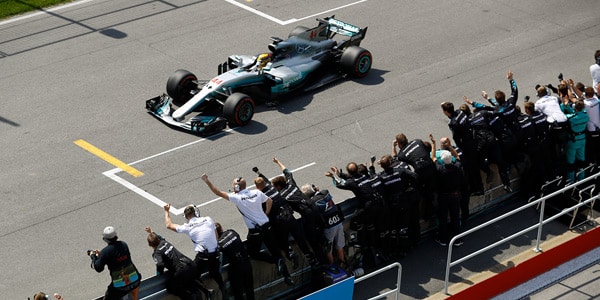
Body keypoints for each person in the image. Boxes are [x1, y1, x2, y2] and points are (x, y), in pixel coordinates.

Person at [201, 174, 294, 285]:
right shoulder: (257, 192)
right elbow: (269, 201)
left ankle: (274, 261)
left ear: (236, 187)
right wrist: (266, 213)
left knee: (252, 252)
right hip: (267, 226)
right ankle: (287, 277)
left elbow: (218, 193)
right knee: (276, 251)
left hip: (256, 232)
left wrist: (207, 181)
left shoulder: (237, 198)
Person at [253, 167, 318, 267]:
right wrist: (259, 172)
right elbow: (267, 182)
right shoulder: (273, 189)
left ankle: (290, 254)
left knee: (281, 240)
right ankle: (310, 257)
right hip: (290, 217)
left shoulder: (261, 196)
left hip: (279, 222)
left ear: (257, 187)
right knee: (300, 239)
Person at [270, 157, 327, 265]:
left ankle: (319, 257)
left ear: (278, 186)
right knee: (319, 225)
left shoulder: (283, 195)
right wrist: (278, 161)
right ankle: (324, 240)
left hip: (307, 213)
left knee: (310, 237)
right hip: (313, 206)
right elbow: (287, 171)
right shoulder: (291, 184)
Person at [163, 204, 225, 296]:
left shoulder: (187, 227)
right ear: (196, 213)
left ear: (186, 217)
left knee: (191, 275)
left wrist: (166, 211)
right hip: (215, 255)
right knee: (216, 274)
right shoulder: (208, 219)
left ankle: (205, 292)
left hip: (203, 258)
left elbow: (169, 225)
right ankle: (224, 291)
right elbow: (216, 236)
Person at [326, 161, 385, 249]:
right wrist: (338, 173)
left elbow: (339, 184)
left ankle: (363, 243)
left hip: (367, 207)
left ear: (349, 172)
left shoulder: (351, 183)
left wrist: (333, 177)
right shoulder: (364, 175)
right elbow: (351, 177)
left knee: (354, 222)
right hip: (378, 203)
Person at [375, 154, 420, 257]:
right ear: (391, 163)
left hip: (392, 206)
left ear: (381, 166)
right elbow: (415, 176)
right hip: (403, 202)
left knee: (394, 229)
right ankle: (407, 247)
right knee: (404, 227)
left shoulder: (381, 176)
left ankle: (396, 250)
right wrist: (408, 187)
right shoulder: (400, 171)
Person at [145, 227, 207, 300]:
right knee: (186, 281)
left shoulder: (156, 253)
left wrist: (160, 274)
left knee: (171, 287)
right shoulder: (164, 242)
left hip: (182, 270)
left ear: (150, 245)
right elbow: (160, 237)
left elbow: (160, 264)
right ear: (158, 240)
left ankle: (190, 298)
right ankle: (204, 292)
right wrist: (151, 232)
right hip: (191, 264)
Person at [441, 101, 483, 196]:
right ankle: (478, 187)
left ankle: (478, 188)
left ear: (446, 112)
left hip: (467, 146)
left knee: (471, 168)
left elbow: (456, 138)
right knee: (474, 165)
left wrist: (459, 149)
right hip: (473, 139)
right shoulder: (460, 112)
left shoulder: (453, 123)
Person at [392, 133, 437, 220]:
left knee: (425, 194)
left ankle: (428, 214)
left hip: (422, 173)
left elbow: (395, 160)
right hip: (432, 167)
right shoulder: (418, 141)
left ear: (399, 144)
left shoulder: (401, 155)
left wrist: (393, 147)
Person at [430, 136, 465, 247]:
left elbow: (434, 158)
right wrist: (449, 146)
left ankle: (443, 239)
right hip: (455, 195)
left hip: (444, 196)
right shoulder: (457, 167)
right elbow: (457, 156)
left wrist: (434, 144)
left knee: (443, 217)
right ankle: (458, 239)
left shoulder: (441, 169)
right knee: (455, 216)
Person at [88, 226, 141, 300]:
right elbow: (117, 257)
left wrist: (93, 256)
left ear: (105, 239)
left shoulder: (105, 252)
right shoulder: (124, 244)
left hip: (120, 287)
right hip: (136, 280)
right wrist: (102, 256)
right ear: (116, 236)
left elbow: (98, 268)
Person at [301, 184, 346, 266]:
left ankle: (332, 266)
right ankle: (342, 264)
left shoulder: (312, 202)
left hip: (328, 227)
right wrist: (316, 190)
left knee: (327, 249)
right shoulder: (325, 193)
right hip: (338, 221)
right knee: (340, 246)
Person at [215, 223, 255, 300]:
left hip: (236, 267)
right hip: (246, 262)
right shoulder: (232, 232)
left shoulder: (219, 244)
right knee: (249, 290)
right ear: (221, 229)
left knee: (238, 292)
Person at [561, 99, 589, 183]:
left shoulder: (572, 118)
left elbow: (562, 116)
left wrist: (563, 105)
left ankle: (571, 181)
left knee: (571, 162)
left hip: (573, 141)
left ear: (574, 107)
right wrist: (570, 108)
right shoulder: (585, 115)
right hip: (582, 139)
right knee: (581, 160)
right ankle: (581, 178)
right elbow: (578, 112)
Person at [582, 86, 600, 165]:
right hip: (598, 128)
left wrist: (571, 87)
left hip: (591, 130)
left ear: (586, 94)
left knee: (592, 148)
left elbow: (576, 98)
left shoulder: (585, 104)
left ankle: (594, 163)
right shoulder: (596, 100)